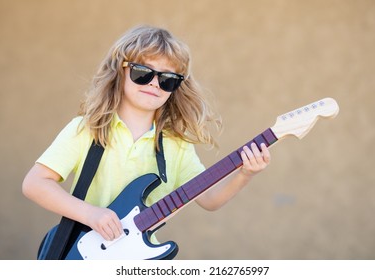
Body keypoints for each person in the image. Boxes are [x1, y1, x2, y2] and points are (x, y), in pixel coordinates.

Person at [22, 25, 270, 246]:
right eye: (143, 72)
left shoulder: (177, 144)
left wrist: (245, 174)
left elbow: (209, 200)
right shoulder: (87, 128)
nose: (154, 83)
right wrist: (91, 214)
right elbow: (35, 183)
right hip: (84, 252)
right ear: (121, 71)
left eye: (167, 79)